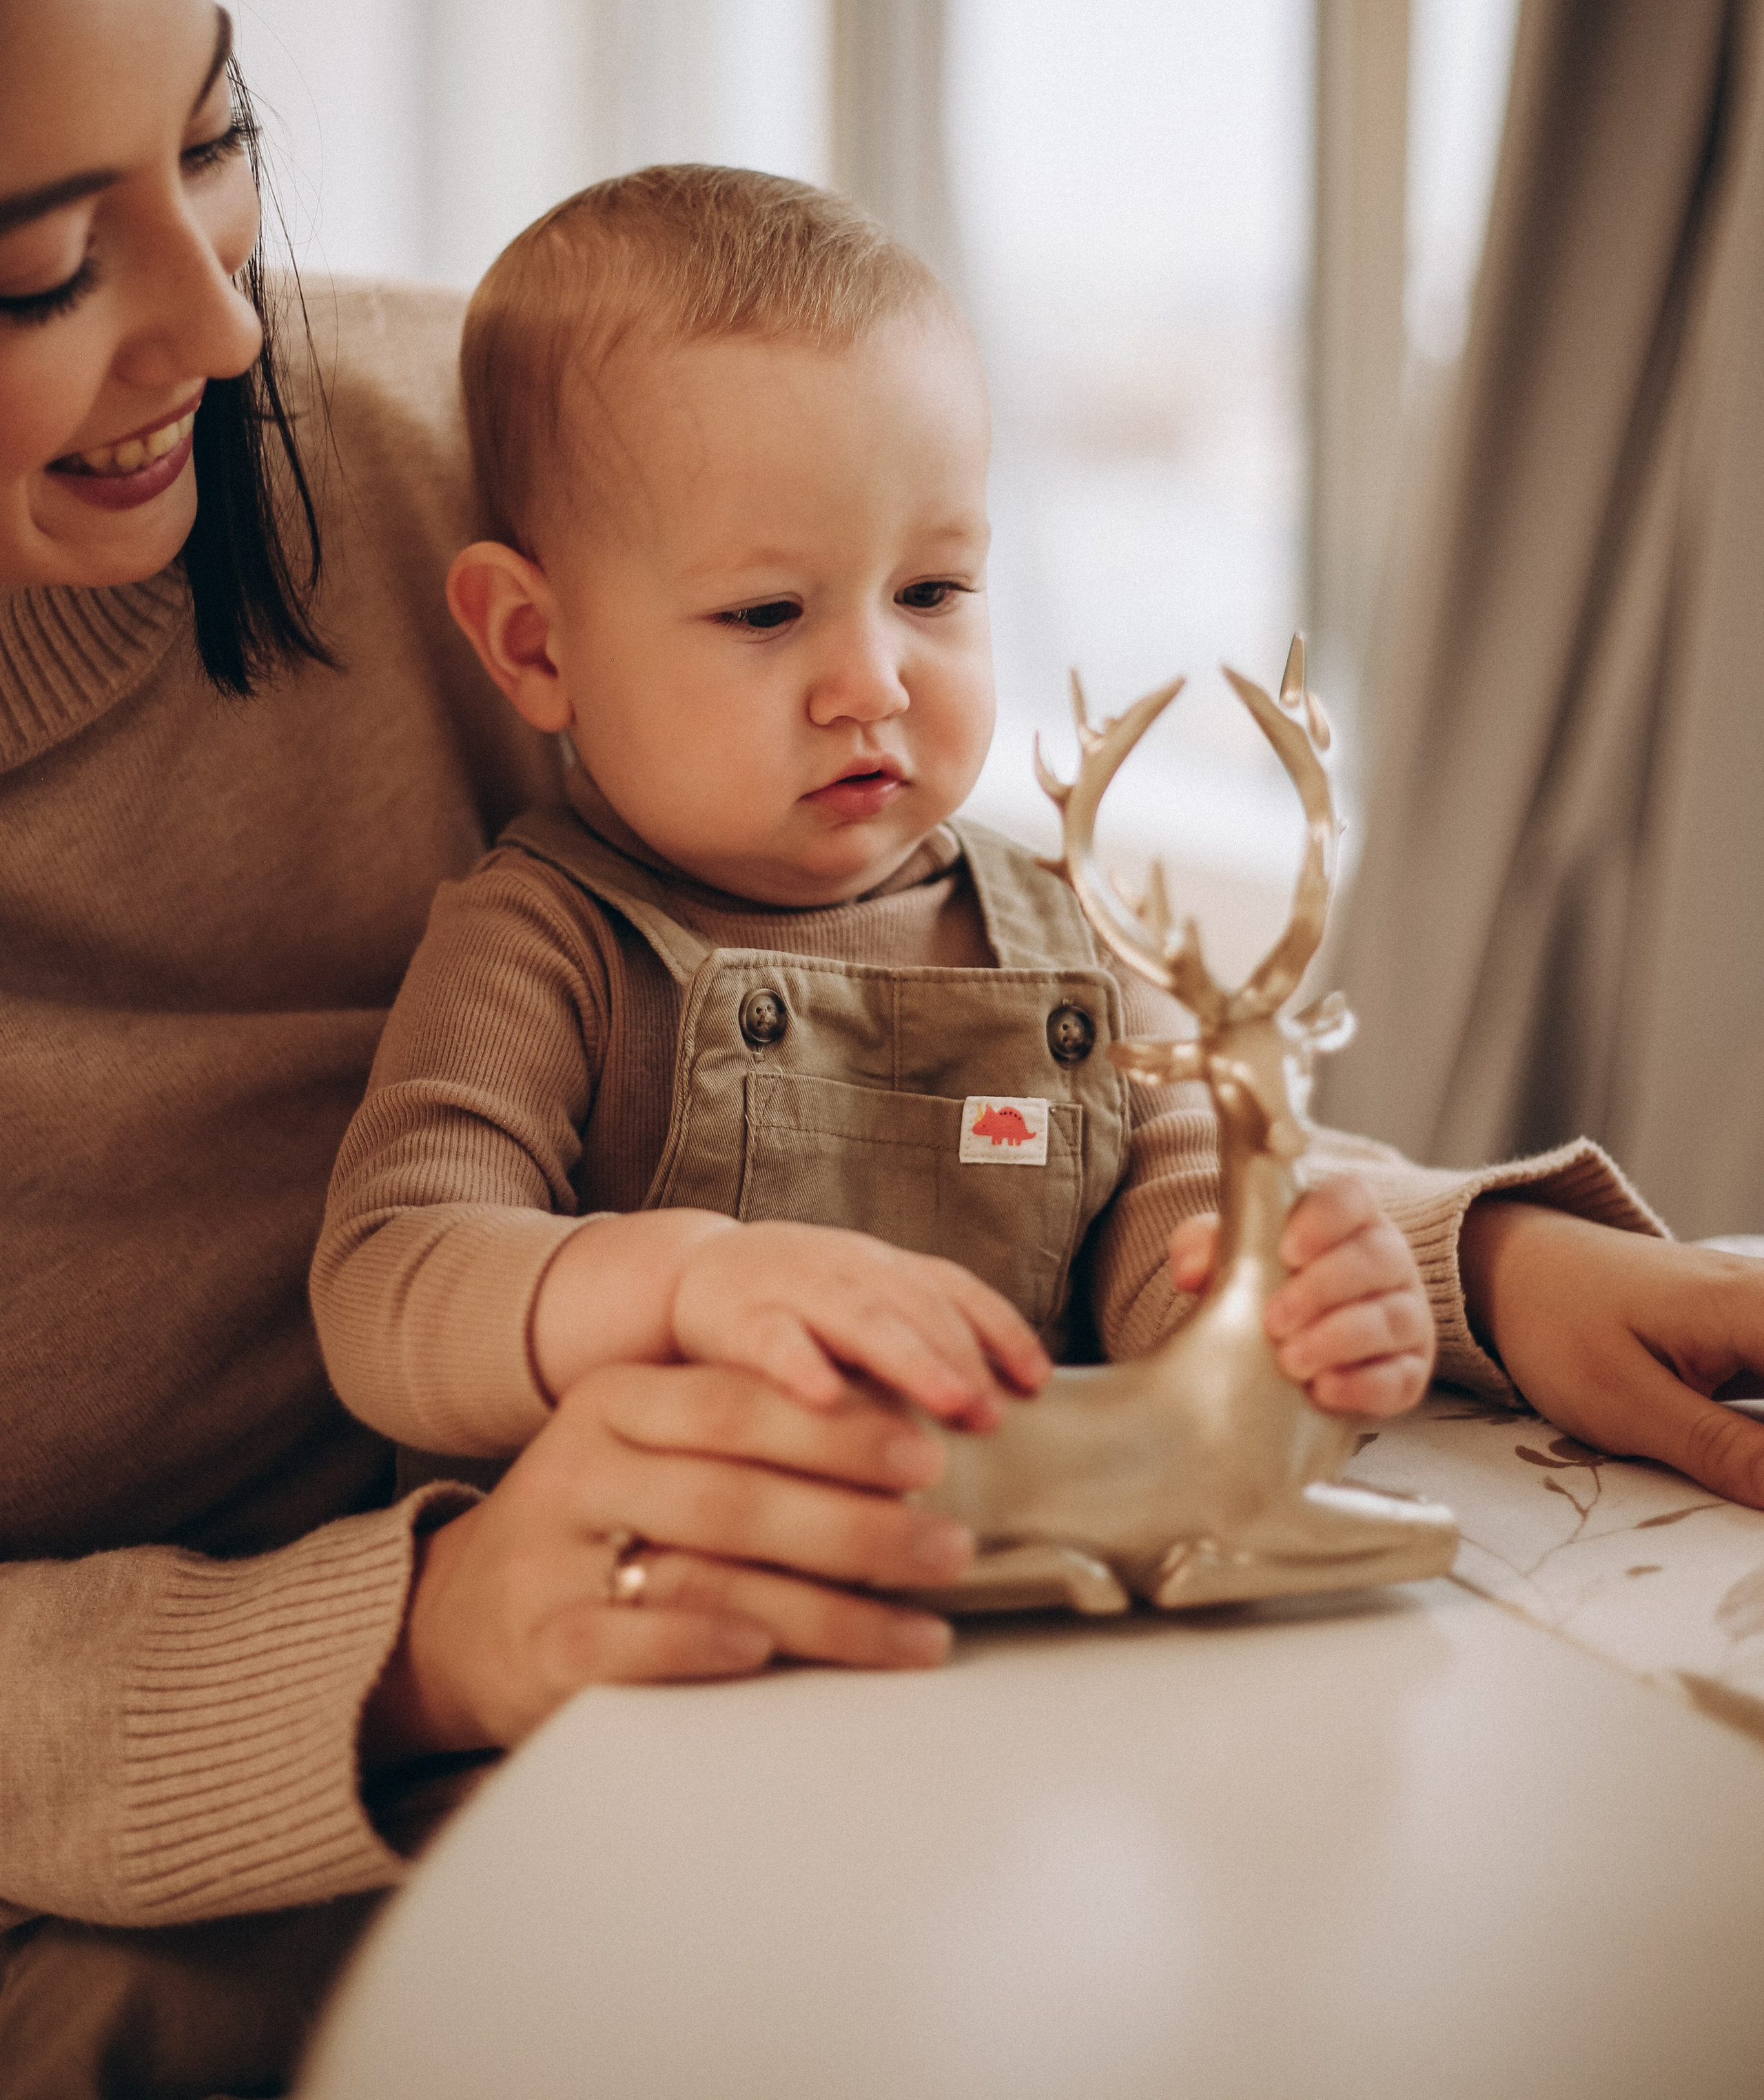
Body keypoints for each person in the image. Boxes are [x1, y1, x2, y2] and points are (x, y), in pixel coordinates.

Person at [0, 0, 982, 2100]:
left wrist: (1461, 1255)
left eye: (218, 143)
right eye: (34, 266)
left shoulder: (455, 457)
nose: (216, 325)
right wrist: (416, 1638)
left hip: (710, 1713)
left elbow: (962, 972)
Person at [307, 168, 1743, 1537]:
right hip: (678, 1651)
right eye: (763, 614)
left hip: (1027, 1609)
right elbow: (389, 1284)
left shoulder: (1070, 938)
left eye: (931, 589)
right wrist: (683, 1282)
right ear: (532, 644)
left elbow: (1170, 1216)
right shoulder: (542, 946)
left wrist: (1279, 1316)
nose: (870, 679)